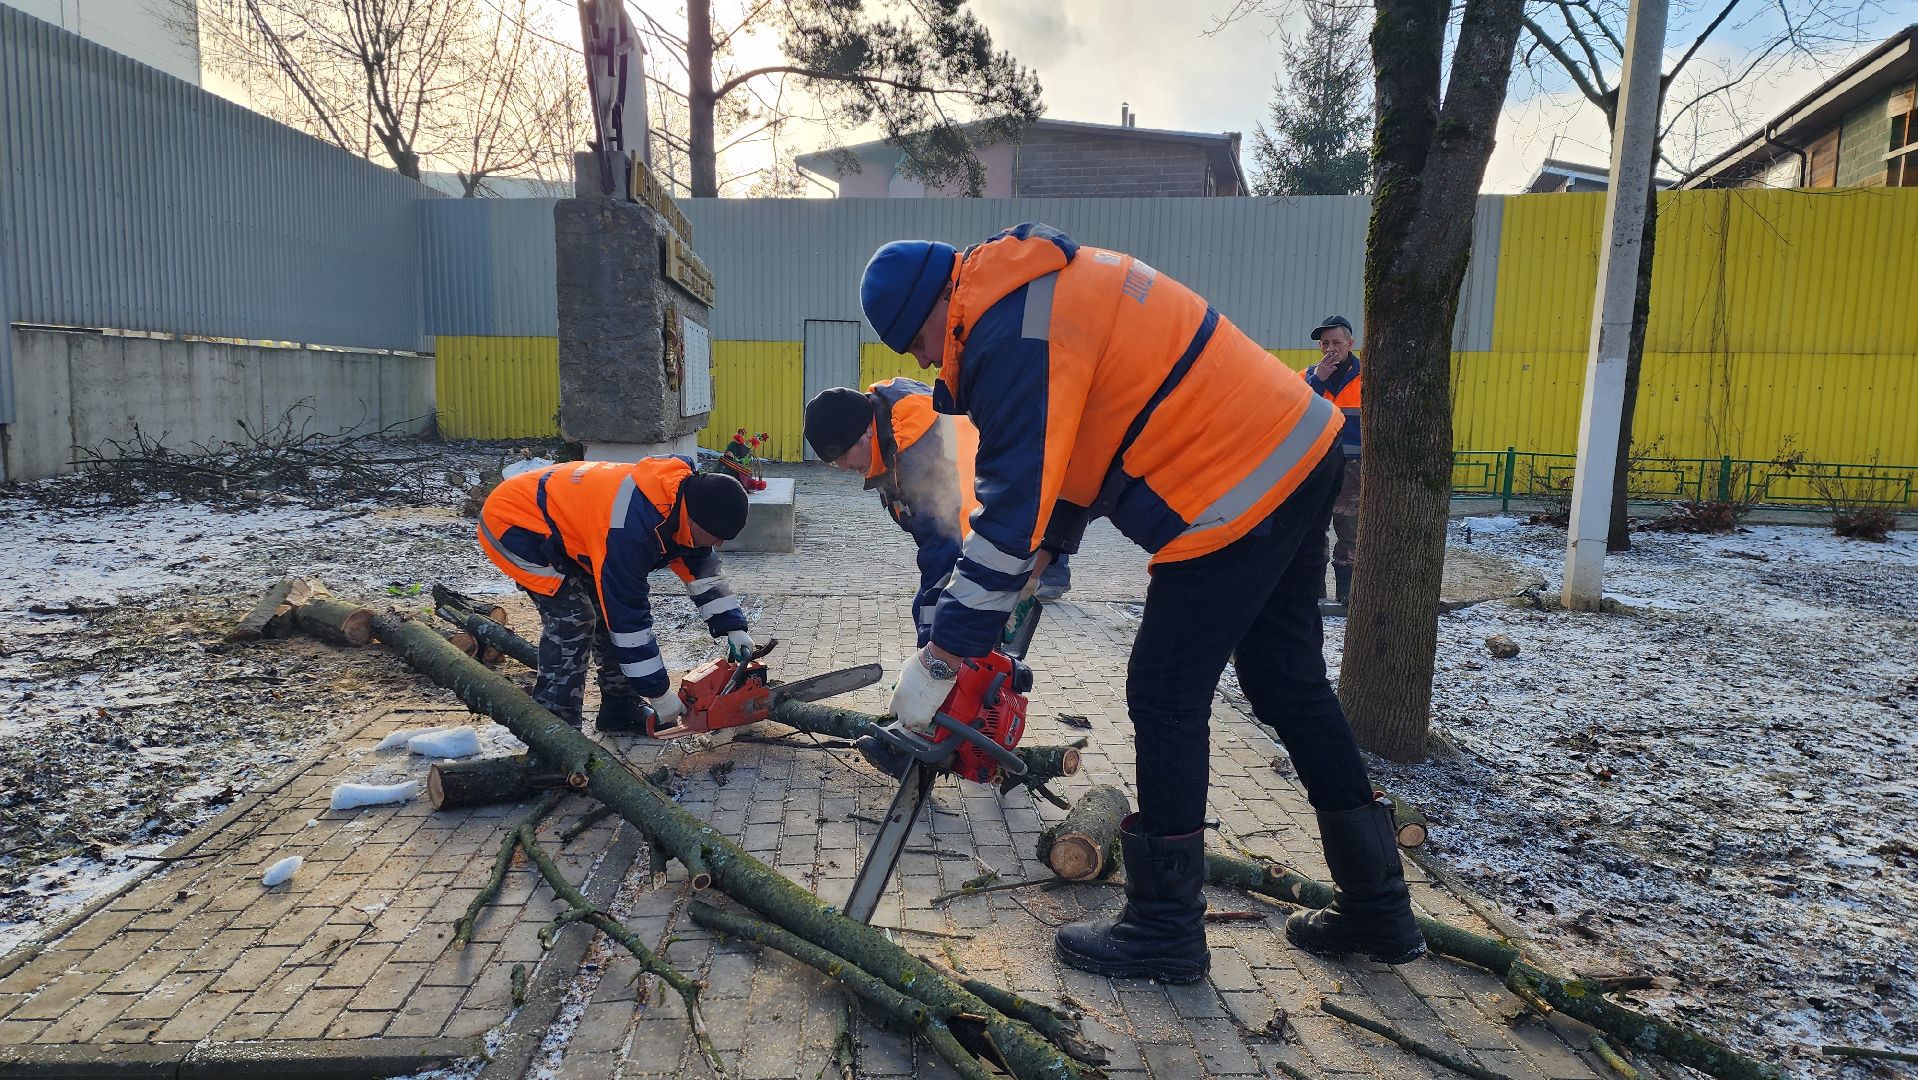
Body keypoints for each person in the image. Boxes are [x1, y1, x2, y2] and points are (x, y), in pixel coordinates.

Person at [858, 223, 1425, 983]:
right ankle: (1380, 909)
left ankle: (1164, 929)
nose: (924, 361)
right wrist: (1050, 545)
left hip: (1233, 487)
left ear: (933, 308)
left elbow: (1011, 502)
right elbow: (1075, 439)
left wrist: (944, 652)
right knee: (1287, 682)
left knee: (1162, 691)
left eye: (915, 342)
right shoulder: (1030, 291)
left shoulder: (1004, 330)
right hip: (1299, 449)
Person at [476, 456, 755, 735]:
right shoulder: (631, 531)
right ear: (693, 519)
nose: (718, 543)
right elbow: (628, 618)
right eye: (715, 535)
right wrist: (658, 692)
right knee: (575, 620)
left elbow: (704, 572)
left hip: (576, 533)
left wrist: (732, 626)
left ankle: (619, 708)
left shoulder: (686, 505)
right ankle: (554, 732)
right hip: (517, 525)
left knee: (602, 611)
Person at [804, 378, 1073, 648]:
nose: (841, 466)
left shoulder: (913, 447)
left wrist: (931, 656)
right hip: (985, 527)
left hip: (997, 531)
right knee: (934, 611)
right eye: (832, 461)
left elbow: (943, 545)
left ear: (865, 432)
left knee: (950, 621)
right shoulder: (887, 429)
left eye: (841, 455)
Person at [1303, 315, 1362, 605]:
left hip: (1355, 469)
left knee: (1350, 529)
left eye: (1337, 342)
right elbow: (1291, 408)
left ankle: (1347, 593)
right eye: (1324, 343)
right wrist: (1317, 381)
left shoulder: (1370, 377)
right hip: (1318, 464)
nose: (1330, 348)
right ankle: (1314, 592)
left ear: (1350, 343)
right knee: (1314, 528)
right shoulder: (1307, 377)